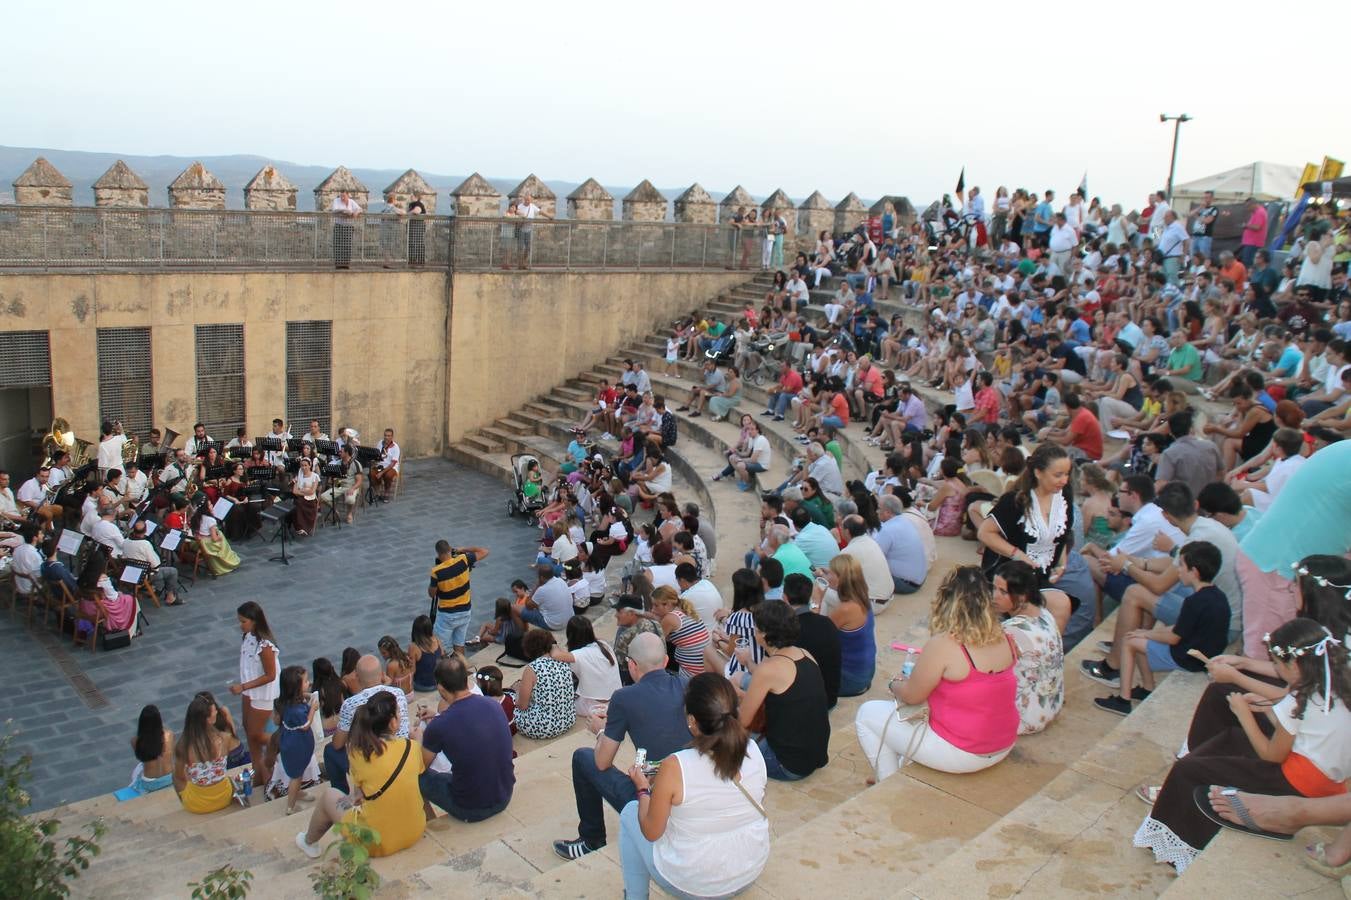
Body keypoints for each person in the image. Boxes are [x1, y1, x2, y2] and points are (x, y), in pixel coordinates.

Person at [1132, 618, 1351, 875]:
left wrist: (1244, 714)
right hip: (1330, 778)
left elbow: (1272, 756)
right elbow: (1307, 730)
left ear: (1294, 664)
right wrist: (1268, 710)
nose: (1278, 672)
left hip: (1297, 781)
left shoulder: (1300, 699)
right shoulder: (1334, 684)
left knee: (1188, 771)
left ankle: (1181, 852)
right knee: (1231, 741)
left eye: (1278, 666)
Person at [855, 566, 1019, 782]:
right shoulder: (1005, 637)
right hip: (1003, 742)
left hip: (964, 753)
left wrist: (894, 684)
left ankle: (886, 780)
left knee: (867, 714)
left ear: (946, 600)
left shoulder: (945, 644)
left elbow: (913, 696)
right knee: (907, 728)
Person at [618, 673, 770, 900]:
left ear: (691, 720)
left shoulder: (676, 766)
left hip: (696, 885)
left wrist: (642, 789)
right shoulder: (754, 750)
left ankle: (635, 896)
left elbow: (651, 831)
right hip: (750, 866)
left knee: (630, 812)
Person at [553, 632, 690, 861]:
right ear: (666, 661)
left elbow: (602, 762)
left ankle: (591, 839)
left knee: (583, 758)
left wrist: (600, 730)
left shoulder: (624, 697)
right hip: (688, 789)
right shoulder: (687, 684)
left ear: (632, 665)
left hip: (656, 802)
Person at [1093, 541, 1230, 716]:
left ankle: (1123, 700)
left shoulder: (1193, 602)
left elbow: (1174, 638)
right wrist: (1148, 634)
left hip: (1188, 659)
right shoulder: (1218, 596)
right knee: (1142, 638)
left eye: (1181, 565)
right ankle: (1147, 688)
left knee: (1129, 641)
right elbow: (1182, 628)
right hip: (1204, 654)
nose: (1178, 570)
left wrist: (1147, 633)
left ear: (1194, 572)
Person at [296, 692, 426, 859]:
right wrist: (419, 740)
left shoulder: (358, 754)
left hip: (375, 842)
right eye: (399, 712)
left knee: (330, 795)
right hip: (414, 830)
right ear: (393, 723)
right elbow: (417, 767)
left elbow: (359, 794)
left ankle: (309, 842)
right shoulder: (412, 747)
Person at [976, 443, 1078, 627]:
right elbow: (985, 533)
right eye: (1058, 475)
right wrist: (1018, 555)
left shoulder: (1064, 499)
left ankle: (1048, 653)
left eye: (1066, 474)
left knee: (1062, 605)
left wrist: (1062, 563)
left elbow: (1061, 536)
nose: (1064, 480)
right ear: (1038, 473)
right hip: (1010, 575)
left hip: (1040, 574)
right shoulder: (1016, 500)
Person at [414, 656, 515, 823]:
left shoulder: (439, 726)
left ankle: (429, 822)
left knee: (417, 778)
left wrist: (418, 739)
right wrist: (438, 716)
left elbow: (419, 767)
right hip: (504, 795)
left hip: (471, 808)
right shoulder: (494, 705)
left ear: (440, 688)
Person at [738, 600, 830, 781]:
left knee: (724, 734)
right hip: (816, 754)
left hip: (787, 763)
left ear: (764, 634)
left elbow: (743, 721)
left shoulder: (768, 669)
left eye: (756, 628)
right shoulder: (805, 654)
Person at [323, 654, 411, 794]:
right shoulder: (398, 694)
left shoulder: (351, 704)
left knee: (330, 750)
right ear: (382, 674)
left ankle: (341, 793)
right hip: (403, 756)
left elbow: (338, 744)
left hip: (373, 761)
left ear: (357, 677)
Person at [993, 562, 1064, 735]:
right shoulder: (1044, 613)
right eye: (994, 588)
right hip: (1050, 706)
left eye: (1003, 592)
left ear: (1022, 596)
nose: (994, 596)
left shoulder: (1012, 630)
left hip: (1023, 719)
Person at [227, 600, 279, 787]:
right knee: (249, 731)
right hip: (249, 691)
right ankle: (258, 771)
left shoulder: (265, 646)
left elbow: (271, 675)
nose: (241, 625)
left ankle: (283, 740)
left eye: (243, 621)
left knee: (256, 734)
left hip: (261, 694)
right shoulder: (248, 638)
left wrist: (243, 686)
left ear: (254, 621)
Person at [172, 695, 238, 814]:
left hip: (197, 804)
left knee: (176, 776)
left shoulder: (182, 745)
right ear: (208, 719)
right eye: (214, 711)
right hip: (224, 798)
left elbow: (179, 777)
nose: (217, 712)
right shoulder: (226, 738)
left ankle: (184, 801)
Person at [822, 554, 875, 697]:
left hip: (850, 679)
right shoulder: (862, 596)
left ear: (841, 579)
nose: (828, 575)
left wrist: (816, 598)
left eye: (831, 573)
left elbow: (819, 634)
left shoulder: (846, 609)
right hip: (864, 671)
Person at [427, 539, 489, 658]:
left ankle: (447, 671)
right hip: (465, 611)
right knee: (459, 644)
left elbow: (432, 594)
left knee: (442, 648)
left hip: (447, 615)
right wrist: (462, 549)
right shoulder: (463, 559)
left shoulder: (436, 571)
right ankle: (461, 670)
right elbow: (484, 551)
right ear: (450, 550)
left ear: (438, 554)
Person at [551, 615, 622, 718]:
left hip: (594, 706)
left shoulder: (579, 654)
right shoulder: (603, 644)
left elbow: (555, 655)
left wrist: (552, 642)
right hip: (616, 700)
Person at [514, 628, 577, 740]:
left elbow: (522, 706)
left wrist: (517, 691)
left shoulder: (532, 668)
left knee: (508, 704)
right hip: (567, 720)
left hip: (543, 727)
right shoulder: (563, 661)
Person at [273, 665, 319, 815]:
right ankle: (290, 806)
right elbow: (305, 725)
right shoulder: (296, 710)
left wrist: (305, 696)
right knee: (296, 776)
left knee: (298, 772)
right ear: (296, 688)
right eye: (305, 681)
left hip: (292, 742)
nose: (309, 683)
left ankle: (297, 792)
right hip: (297, 745)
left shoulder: (285, 702)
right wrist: (312, 708)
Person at [651, 585, 711, 680]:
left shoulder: (670, 618)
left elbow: (655, 641)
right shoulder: (685, 609)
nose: (653, 609)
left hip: (690, 673)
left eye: (656, 605)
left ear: (666, 604)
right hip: (703, 667)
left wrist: (656, 620)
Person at [874, 493, 928, 596]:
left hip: (905, 584)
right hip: (918, 579)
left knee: (864, 571)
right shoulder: (906, 521)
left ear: (888, 512)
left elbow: (875, 556)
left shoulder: (887, 529)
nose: (876, 511)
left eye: (879, 508)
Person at [121, 520, 185, 606]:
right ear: (145, 531)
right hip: (144, 575)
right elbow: (156, 564)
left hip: (130, 573)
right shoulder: (145, 544)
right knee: (172, 571)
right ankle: (171, 597)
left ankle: (156, 589)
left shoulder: (125, 541)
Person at [126, 704, 175, 796]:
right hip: (169, 779)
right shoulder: (169, 735)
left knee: (137, 771)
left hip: (150, 784)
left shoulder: (135, 741)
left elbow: (141, 758)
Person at [521, 562, 574, 630]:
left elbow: (528, 605)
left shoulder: (542, 590)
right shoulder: (561, 581)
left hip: (554, 624)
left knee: (515, 609)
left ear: (542, 577)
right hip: (569, 619)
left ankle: (522, 634)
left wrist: (536, 586)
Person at [191, 503, 239, 575]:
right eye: (210, 504)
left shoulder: (196, 517)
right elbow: (214, 539)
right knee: (221, 536)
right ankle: (226, 563)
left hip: (197, 542)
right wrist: (220, 537)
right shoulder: (210, 520)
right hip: (207, 545)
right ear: (206, 508)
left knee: (218, 533)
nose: (212, 506)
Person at [407, 615, 444, 693]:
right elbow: (442, 657)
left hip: (423, 686)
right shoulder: (436, 640)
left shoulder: (414, 647)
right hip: (438, 682)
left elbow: (412, 670)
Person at [330, 189, 362, 269]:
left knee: (347, 245)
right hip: (339, 225)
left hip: (348, 226)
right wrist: (345, 211)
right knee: (338, 244)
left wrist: (356, 212)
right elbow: (335, 210)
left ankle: (346, 263)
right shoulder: (336, 201)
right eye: (341, 196)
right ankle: (338, 264)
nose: (342, 198)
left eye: (344, 196)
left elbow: (359, 209)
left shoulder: (351, 202)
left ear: (348, 195)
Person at [290, 456, 319, 536]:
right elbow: (294, 491)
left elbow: (312, 492)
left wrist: (301, 491)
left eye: (306, 465)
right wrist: (304, 491)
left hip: (311, 500)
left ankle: (303, 527)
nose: (304, 467)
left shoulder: (314, 476)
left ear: (310, 466)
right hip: (300, 498)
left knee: (298, 503)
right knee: (295, 504)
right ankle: (298, 527)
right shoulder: (298, 476)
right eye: (302, 465)